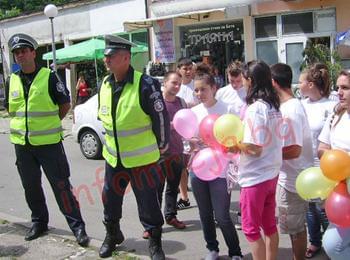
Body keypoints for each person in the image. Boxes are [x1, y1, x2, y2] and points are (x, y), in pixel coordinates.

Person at [4, 33, 89, 247]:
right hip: (23, 146)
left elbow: (64, 104)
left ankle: (77, 227)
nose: (20, 55)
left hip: (49, 145)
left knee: (61, 186)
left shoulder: (49, 76)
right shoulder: (11, 80)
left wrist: (50, 123)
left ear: (33, 53)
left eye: (24, 51)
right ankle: (39, 222)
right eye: (16, 53)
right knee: (31, 187)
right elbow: (10, 109)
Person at [97, 35, 170, 259]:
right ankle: (112, 234)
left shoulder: (145, 84)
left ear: (126, 58)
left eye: (111, 56)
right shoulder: (105, 84)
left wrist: (162, 146)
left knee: (148, 203)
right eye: (105, 56)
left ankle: (155, 243)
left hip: (142, 160)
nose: (106, 60)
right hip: (113, 159)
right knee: (110, 199)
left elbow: (160, 118)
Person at [189, 65, 243, 260]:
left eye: (203, 88)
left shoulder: (227, 109)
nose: (199, 93)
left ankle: (235, 251)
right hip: (198, 169)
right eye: (196, 89)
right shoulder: (194, 111)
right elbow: (188, 139)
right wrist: (191, 143)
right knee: (205, 214)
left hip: (220, 170)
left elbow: (237, 138)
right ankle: (212, 249)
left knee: (222, 215)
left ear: (213, 88)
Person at [238, 60, 282, 260]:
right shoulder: (273, 106)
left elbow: (255, 148)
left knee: (251, 230)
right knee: (270, 226)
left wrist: (234, 145)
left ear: (251, 80)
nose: (243, 82)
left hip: (255, 178)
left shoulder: (256, 108)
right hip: (270, 174)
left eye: (244, 78)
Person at [271, 63, 314, 260]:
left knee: (296, 230)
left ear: (274, 83)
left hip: (294, 181)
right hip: (288, 178)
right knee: (291, 227)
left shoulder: (291, 110)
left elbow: (295, 150)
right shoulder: (285, 107)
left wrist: (268, 155)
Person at [299, 63, 336, 258]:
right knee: (310, 207)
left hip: (324, 165)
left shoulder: (330, 105)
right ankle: (315, 241)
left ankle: (333, 241)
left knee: (326, 208)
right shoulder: (301, 104)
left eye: (301, 81)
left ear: (311, 84)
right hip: (305, 165)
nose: (298, 85)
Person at [145, 71, 187, 239]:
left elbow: (187, 125)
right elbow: (149, 125)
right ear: (165, 83)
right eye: (174, 83)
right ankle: (152, 225)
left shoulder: (182, 103)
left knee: (172, 188)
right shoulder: (156, 103)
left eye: (179, 84)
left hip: (177, 153)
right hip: (158, 153)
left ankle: (170, 216)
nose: (177, 87)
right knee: (156, 189)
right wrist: (170, 125)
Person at [318, 70, 350, 260]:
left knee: (333, 245)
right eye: (338, 87)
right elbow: (321, 148)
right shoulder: (336, 117)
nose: (339, 92)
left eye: (345, 88)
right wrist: (336, 160)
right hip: (340, 192)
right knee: (332, 244)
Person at [176, 57, 198, 210]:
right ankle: (184, 197)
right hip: (181, 132)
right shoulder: (175, 87)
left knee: (197, 164)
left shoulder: (197, 85)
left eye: (190, 68)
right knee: (182, 167)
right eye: (185, 68)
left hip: (198, 130)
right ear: (179, 70)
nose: (188, 71)